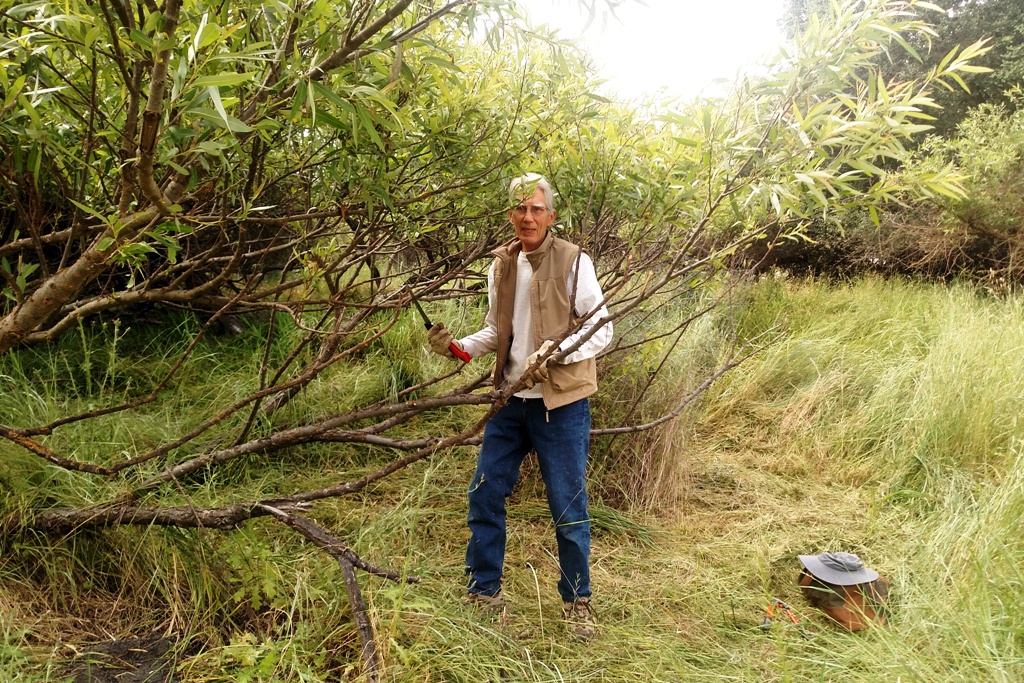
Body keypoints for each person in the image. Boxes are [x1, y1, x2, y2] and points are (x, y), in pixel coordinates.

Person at [426, 173, 612, 641]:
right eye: (519, 209)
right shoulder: (502, 264)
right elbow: (496, 329)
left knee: (568, 505)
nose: (527, 217)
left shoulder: (575, 262)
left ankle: (577, 602)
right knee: (485, 493)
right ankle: (483, 592)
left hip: (560, 404)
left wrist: (549, 354)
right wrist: (456, 348)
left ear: (551, 215)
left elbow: (602, 330)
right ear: (510, 214)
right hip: (510, 401)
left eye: (536, 209)